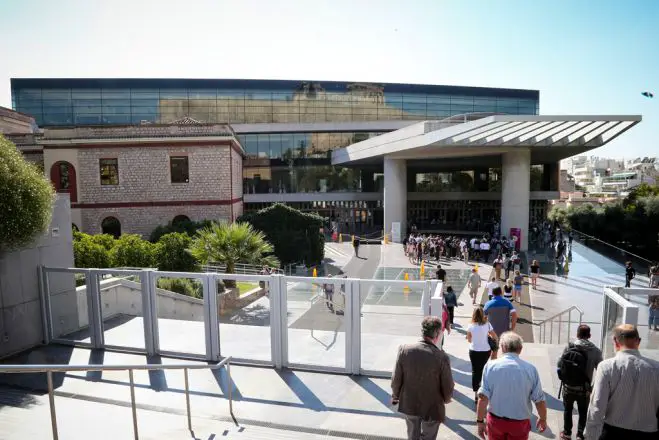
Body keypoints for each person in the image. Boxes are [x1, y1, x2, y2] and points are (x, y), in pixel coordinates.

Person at [584, 324, 659, 439]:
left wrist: (590, 436)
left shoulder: (606, 367)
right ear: (638, 342)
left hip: (613, 432)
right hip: (649, 432)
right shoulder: (656, 368)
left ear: (615, 341)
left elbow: (597, 406)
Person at [391, 316, 455, 440]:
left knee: (412, 435)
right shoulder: (441, 357)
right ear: (437, 334)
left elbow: (396, 378)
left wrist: (395, 395)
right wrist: (447, 399)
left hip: (410, 402)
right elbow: (448, 385)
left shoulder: (404, 350)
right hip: (433, 406)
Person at [476, 332, 547, 440]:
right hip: (519, 424)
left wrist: (480, 421)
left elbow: (483, 398)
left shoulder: (490, 366)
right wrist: (543, 418)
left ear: (502, 347)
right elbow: (539, 400)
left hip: (495, 422)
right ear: (520, 349)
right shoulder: (531, 369)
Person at [557, 325, 603, 440]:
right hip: (584, 389)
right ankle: (580, 435)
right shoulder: (596, 351)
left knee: (568, 410)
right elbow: (602, 371)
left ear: (577, 334)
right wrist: (592, 387)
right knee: (583, 412)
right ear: (590, 336)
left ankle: (567, 433)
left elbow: (559, 364)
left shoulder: (569, 347)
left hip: (568, 387)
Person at [467, 307, 497, 404]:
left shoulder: (470, 326)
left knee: (475, 371)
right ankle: (483, 391)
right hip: (486, 350)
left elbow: (469, 340)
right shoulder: (487, 324)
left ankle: (476, 394)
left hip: (474, 350)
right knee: (483, 369)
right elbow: (495, 336)